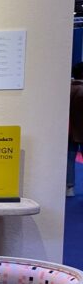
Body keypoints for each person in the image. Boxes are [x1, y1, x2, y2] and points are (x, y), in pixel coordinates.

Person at [67, 62, 83, 196]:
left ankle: (69, 187)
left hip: (69, 131)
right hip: (81, 131)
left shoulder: (67, 89)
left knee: (69, 160)